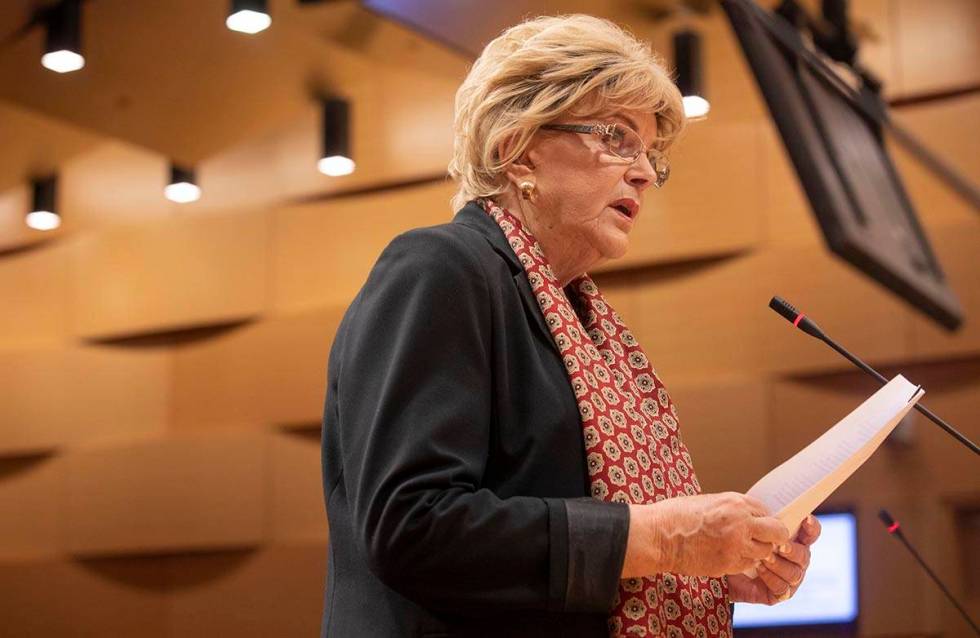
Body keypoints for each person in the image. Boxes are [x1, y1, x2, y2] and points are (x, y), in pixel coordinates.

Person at [319, 14, 820, 638]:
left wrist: (710, 569)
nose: (642, 173)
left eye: (650, 156)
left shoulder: (585, 327)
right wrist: (658, 542)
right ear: (517, 148)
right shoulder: (440, 269)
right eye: (616, 138)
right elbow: (413, 525)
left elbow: (569, 545)